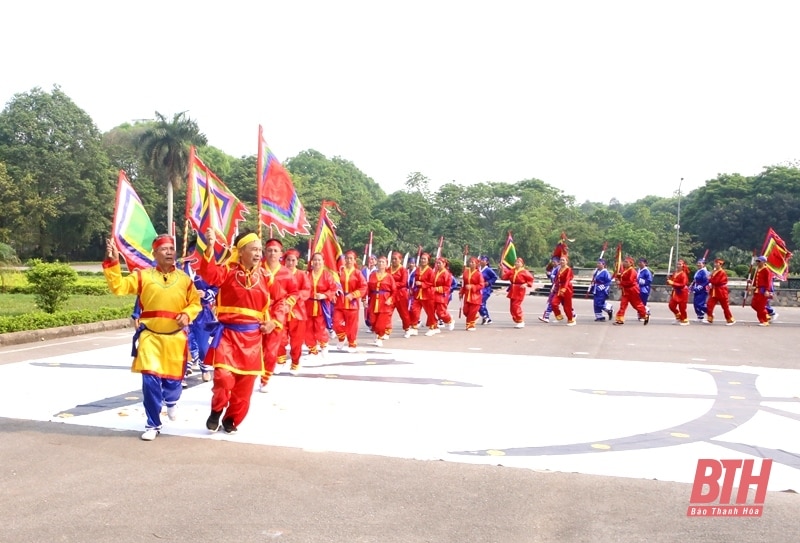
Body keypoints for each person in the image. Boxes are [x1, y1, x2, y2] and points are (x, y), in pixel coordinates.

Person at [103, 235, 201, 441]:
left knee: (173, 384)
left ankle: (172, 401)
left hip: (175, 339)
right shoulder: (142, 276)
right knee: (150, 380)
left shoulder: (184, 280)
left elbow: (195, 303)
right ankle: (153, 423)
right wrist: (113, 261)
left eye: (171, 249)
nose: (169, 252)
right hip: (150, 338)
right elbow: (118, 287)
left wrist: (187, 314)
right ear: (154, 254)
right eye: (164, 249)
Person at [200, 230, 286, 433]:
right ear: (241, 252)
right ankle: (217, 409)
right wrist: (210, 247)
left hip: (253, 339)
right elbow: (209, 273)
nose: (258, 253)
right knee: (222, 377)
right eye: (254, 249)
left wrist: (274, 322)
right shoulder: (228, 271)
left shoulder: (266, 276)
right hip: (228, 335)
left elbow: (281, 300)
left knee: (245, 386)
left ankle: (232, 419)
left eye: (259, 249)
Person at [259, 238, 296, 392]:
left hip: (277, 314)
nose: (272, 253)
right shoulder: (257, 268)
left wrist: (288, 303)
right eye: (269, 250)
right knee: (255, 348)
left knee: (271, 349)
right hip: (258, 312)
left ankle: (265, 379)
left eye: (275, 250)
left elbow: (294, 292)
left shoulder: (286, 273)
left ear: (281, 254)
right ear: (264, 252)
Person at [304, 252, 339, 358]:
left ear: (323, 261)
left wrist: (324, 295)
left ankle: (324, 345)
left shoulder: (327, 275)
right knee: (308, 329)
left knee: (320, 328)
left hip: (321, 306)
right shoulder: (307, 275)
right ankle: (312, 350)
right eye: (315, 260)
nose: (317, 262)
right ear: (311, 262)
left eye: (319, 260)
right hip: (308, 305)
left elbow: (333, 289)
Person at [282, 249, 311, 374]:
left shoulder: (302, 275)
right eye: (288, 260)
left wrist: (294, 297)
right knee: (279, 338)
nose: (290, 262)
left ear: (297, 261)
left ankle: (295, 363)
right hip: (282, 311)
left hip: (297, 312)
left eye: (293, 260)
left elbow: (306, 290)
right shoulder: (280, 274)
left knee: (296, 341)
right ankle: (280, 360)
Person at [334, 250, 368, 351]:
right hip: (340, 301)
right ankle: (341, 337)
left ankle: (352, 343)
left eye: (351, 258)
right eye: (347, 258)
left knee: (352, 325)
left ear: (354, 260)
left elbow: (363, 286)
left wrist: (353, 295)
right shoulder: (339, 272)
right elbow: (333, 283)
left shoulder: (358, 273)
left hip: (352, 303)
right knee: (336, 322)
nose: (348, 260)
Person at [367, 254, 396, 346]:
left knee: (381, 321)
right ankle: (377, 334)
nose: (380, 263)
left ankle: (380, 337)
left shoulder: (389, 277)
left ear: (386, 264)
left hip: (384, 301)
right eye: (379, 262)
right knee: (373, 320)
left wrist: (390, 299)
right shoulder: (372, 275)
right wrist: (365, 299)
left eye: (383, 262)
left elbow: (394, 290)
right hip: (373, 300)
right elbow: (368, 288)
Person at [407, 252, 438, 337]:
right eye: (422, 259)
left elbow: (432, 283)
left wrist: (422, 284)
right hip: (417, 293)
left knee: (430, 312)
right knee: (414, 310)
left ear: (428, 261)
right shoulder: (418, 269)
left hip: (428, 294)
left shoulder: (430, 271)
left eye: (425, 259)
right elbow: (413, 281)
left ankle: (433, 327)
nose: (423, 260)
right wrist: (411, 289)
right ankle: (414, 327)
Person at [613, 256, 649, 325]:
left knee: (636, 305)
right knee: (623, 305)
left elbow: (630, 282)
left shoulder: (632, 271)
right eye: (624, 261)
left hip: (632, 291)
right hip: (626, 291)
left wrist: (620, 282)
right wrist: (618, 276)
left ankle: (645, 315)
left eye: (626, 262)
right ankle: (620, 319)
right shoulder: (625, 270)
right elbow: (623, 276)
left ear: (631, 263)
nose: (624, 263)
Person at [502, 257, 534, 328]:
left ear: (522, 264)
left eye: (518, 262)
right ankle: (517, 319)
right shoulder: (512, 271)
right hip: (513, 289)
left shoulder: (524, 271)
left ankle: (521, 321)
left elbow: (531, 279)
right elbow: (504, 277)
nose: (516, 263)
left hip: (520, 289)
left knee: (516, 305)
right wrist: (501, 270)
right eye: (516, 262)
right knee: (512, 307)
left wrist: (526, 284)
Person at [705, 258, 735, 325]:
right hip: (714, 291)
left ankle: (730, 320)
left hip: (721, 291)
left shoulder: (722, 272)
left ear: (720, 264)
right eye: (715, 263)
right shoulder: (714, 271)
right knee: (709, 305)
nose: (715, 264)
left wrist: (710, 279)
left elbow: (716, 281)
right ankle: (710, 319)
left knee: (725, 307)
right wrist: (710, 277)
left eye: (717, 263)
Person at [389, 251, 412, 337]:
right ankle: (386, 331)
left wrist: (392, 284)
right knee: (387, 312)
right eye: (392, 259)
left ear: (400, 260)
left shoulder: (403, 270)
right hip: (390, 295)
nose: (394, 261)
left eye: (396, 259)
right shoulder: (388, 269)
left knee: (404, 313)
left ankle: (407, 329)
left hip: (401, 294)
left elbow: (403, 283)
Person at [460, 257, 485, 331]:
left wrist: (472, 286)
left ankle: (470, 325)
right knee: (465, 311)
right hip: (467, 295)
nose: (471, 263)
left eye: (473, 262)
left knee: (472, 311)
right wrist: (461, 292)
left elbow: (481, 285)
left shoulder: (478, 274)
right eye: (470, 262)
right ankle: (475, 316)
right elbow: (464, 284)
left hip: (475, 296)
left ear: (476, 264)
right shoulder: (466, 272)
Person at [549, 255, 575, 326]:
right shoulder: (559, 269)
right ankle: (559, 316)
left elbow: (567, 280)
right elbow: (556, 279)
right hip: (558, 288)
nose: (562, 261)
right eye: (561, 260)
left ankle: (571, 320)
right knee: (554, 303)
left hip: (567, 289)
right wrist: (553, 286)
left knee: (567, 306)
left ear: (567, 261)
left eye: (563, 260)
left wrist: (564, 288)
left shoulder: (568, 269)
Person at [432, 257, 455, 331]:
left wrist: (436, 289)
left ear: (444, 264)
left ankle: (450, 320)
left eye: (439, 263)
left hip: (442, 295)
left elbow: (447, 287)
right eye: (437, 263)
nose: (438, 265)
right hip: (433, 294)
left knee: (441, 312)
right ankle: (434, 326)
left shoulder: (447, 274)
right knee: (431, 311)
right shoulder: (435, 272)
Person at [750, 255, 773, 326]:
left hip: (763, 290)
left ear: (763, 262)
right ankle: (765, 315)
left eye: (759, 261)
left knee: (761, 306)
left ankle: (764, 321)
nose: (757, 262)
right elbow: (755, 280)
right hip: (757, 290)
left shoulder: (766, 270)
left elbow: (768, 281)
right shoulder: (757, 269)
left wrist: (767, 290)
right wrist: (752, 285)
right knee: (753, 305)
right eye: (757, 261)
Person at [667, 258, 691, 325]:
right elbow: (671, 281)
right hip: (675, 292)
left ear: (683, 265)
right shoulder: (675, 273)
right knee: (671, 305)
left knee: (682, 307)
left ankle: (685, 320)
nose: (678, 265)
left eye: (680, 264)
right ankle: (678, 317)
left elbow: (683, 284)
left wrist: (673, 283)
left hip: (682, 292)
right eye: (677, 264)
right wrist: (668, 280)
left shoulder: (683, 274)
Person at [538, 257, 560, 323]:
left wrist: (550, 274)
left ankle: (572, 315)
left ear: (558, 262)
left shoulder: (559, 268)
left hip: (558, 287)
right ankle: (547, 316)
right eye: (552, 262)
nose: (553, 263)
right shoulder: (554, 268)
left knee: (554, 302)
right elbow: (552, 277)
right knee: (552, 302)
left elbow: (558, 277)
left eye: (554, 262)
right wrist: (548, 274)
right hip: (554, 286)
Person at [478, 255, 498, 324]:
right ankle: (487, 318)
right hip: (478, 288)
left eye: (483, 260)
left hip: (485, 289)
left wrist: (489, 282)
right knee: (481, 304)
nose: (481, 261)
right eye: (481, 260)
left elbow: (495, 277)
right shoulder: (478, 269)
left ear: (487, 262)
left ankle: (485, 316)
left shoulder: (488, 270)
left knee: (479, 303)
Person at [691, 258, 710, 322]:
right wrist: (692, 287)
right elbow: (695, 280)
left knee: (700, 304)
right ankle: (700, 316)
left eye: (700, 263)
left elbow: (706, 281)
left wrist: (700, 287)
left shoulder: (704, 272)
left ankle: (709, 311)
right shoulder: (698, 271)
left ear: (704, 264)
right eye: (698, 263)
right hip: (696, 288)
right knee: (695, 303)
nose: (698, 264)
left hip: (702, 289)